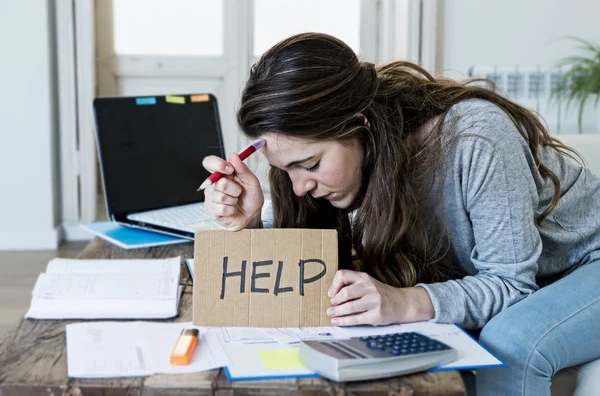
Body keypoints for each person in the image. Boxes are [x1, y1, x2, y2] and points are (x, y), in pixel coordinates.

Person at [201, 33, 600, 395]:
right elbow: (309, 267)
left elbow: (512, 285)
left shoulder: (477, 137)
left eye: (310, 164)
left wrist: (405, 302)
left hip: (586, 260)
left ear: (360, 125)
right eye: (286, 170)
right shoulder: (360, 158)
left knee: (512, 343)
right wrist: (250, 223)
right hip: (536, 274)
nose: (300, 186)